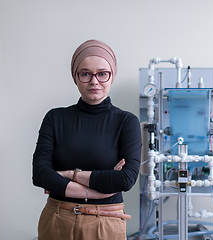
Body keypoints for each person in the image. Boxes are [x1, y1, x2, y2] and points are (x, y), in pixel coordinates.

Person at [32, 39, 142, 240]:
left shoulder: (126, 122)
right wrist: (98, 192)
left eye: (102, 73)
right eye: (85, 74)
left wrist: (67, 174)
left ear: (112, 76)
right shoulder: (55, 118)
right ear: (75, 76)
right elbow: (40, 174)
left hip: (106, 221)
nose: (94, 81)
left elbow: (125, 179)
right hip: (58, 219)